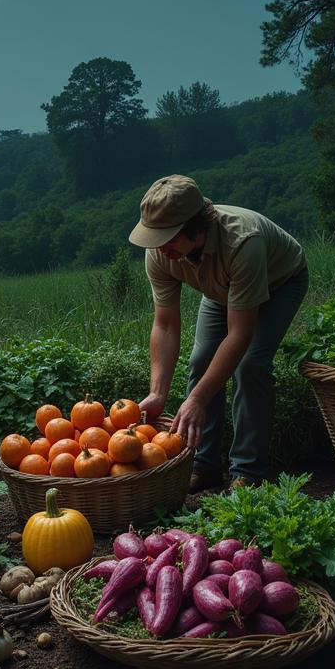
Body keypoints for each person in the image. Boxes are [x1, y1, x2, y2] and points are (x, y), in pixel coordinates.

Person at [128, 174, 308, 492]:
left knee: (250, 365)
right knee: (200, 362)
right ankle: (204, 466)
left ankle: (248, 472)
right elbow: (166, 324)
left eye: (168, 237)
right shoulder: (160, 252)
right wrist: (158, 393)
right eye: (156, 237)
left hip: (280, 282)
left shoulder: (242, 242)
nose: (160, 246)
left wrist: (197, 399)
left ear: (197, 226)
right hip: (222, 290)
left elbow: (239, 334)